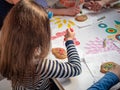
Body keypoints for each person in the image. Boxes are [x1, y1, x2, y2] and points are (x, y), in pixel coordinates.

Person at [0, 0, 82, 90]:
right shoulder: (39, 65)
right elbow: (75, 68)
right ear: (40, 37)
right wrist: (69, 41)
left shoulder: (6, 45)